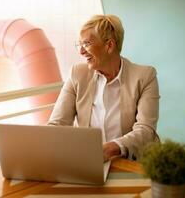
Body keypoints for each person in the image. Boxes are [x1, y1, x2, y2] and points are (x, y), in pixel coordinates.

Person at [48, 14, 160, 161]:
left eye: (86, 43)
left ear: (109, 46)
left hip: (134, 163)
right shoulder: (77, 73)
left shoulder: (145, 76)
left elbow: (145, 130)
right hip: (90, 161)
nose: (81, 51)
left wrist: (111, 149)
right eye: (79, 44)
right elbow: (58, 123)